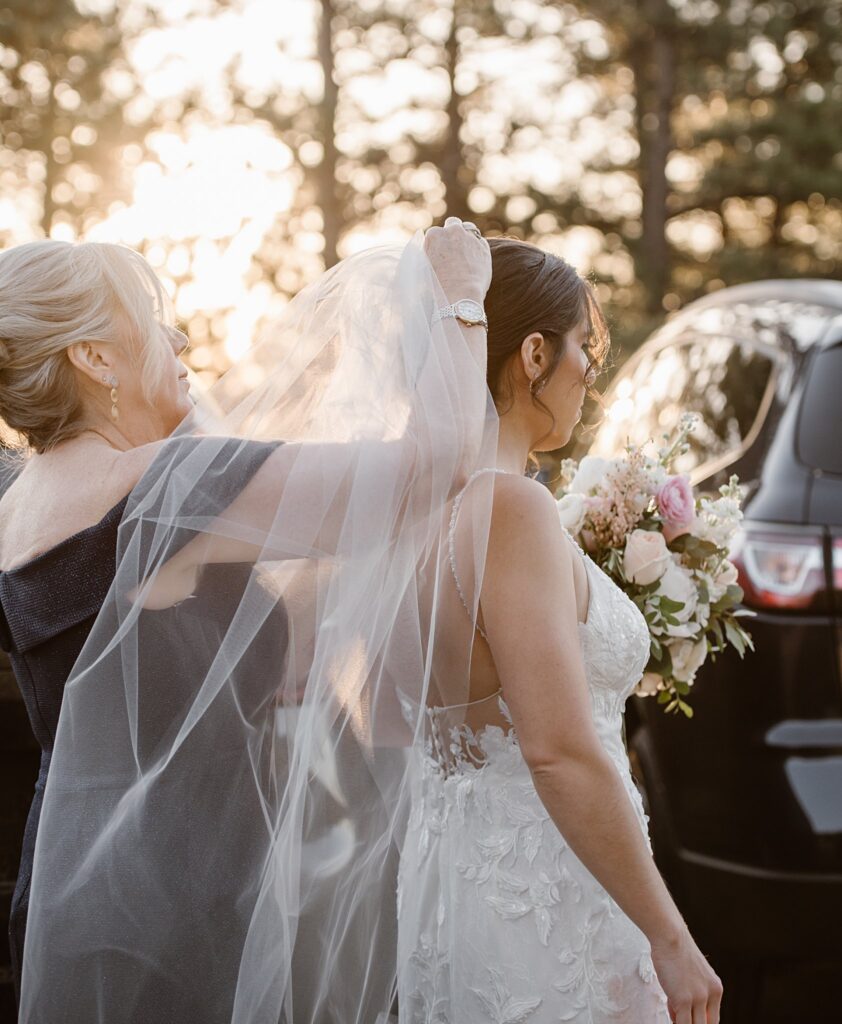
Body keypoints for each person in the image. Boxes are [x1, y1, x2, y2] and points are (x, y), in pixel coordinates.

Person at [0, 221, 493, 1019]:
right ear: (93, 358)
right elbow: (431, 466)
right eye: (153, 323)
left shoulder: (17, 498)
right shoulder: (161, 488)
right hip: (179, 905)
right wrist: (464, 298)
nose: (181, 335)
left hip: (68, 889)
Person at [396, 238, 724, 1024]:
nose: (591, 375)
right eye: (584, 347)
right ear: (533, 354)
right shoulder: (511, 508)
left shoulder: (412, 514)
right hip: (551, 893)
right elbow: (556, 750)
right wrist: (671, 938)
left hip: (457, 887)